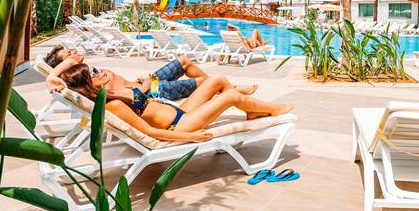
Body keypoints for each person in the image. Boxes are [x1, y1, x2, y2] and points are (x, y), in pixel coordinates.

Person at [55, 63, 293, 143]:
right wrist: (190, 137)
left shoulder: (112, 93)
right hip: (180, 125)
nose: (99, 73)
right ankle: (273, 110)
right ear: (87, 85)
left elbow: (56, 77)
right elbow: (150, 132)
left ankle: (251, 111)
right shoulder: (113, 106)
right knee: (229, 97)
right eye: (93, 74)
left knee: (218, 80)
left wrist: (54, 78)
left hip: (179, 112)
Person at [43, 45, 258, 100]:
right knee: (203, 83)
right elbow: (128, 96)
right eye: (68, 54)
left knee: (183, 61)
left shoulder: (89, 72)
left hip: (143, 84)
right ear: (65, 66)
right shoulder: (85, 83)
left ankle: (229, 90)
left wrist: (139, 80)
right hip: (151, 93)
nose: (73, 52)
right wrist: (56, 73)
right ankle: (234, 91)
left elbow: (122, 85)